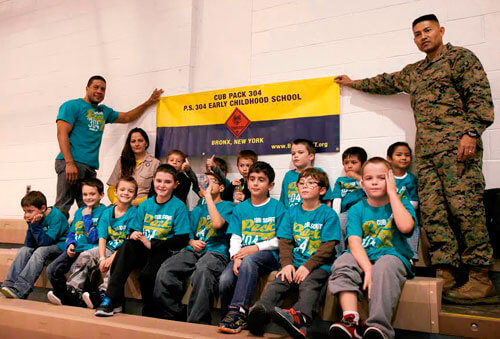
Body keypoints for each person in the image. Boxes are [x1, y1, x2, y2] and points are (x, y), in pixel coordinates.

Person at [334, 14, 496, 303]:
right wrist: (353, 82)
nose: (423, 36)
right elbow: (384, 82)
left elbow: (481, 99)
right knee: (434, 214)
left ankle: (480, 277)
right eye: (418, 33)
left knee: (466, 210)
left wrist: (471, 133)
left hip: (458, 152)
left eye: (428, 30)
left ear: (441, 31)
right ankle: (445, 273)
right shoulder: (416, 71)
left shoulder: (461, 59)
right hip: (427, 156)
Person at [328, 157, 416, 339]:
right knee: (343, 260)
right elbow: (354, 241)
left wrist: (393, 194)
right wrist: (367, 268)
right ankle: (350, 321)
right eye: (369, 178)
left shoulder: (402, 202)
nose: (374, 182)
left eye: (381, 178)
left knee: (383, 266)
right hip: (364, 255)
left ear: (391, 179)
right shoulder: (357, 209)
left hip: (393, 256)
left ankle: (379, 328)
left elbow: (406, 227)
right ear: (362, 183)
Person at [247, 168, 340, 339]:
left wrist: (307, 266)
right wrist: (287, 264)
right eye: (301, 183)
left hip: (319, 265)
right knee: (279, 281)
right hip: (294, 262)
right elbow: (285, 242)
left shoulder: (328, 214)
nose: (305, 186)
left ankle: (300, 317)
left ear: (322, 190)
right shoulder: (291, 212)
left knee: (309, 283)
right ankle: (260, 312)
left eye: (311, 183)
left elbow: (328, 247)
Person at [55, 75, 163, 217]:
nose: (99, 91)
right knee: (63, 205)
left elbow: (127, 117)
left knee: (89, 208)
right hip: (71, 162)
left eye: (103, 89)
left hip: (89, 167)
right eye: (96, 87)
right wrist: (69, 162)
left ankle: (84, 237)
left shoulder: (103, 111)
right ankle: (55, 238)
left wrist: (148, 102)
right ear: (87, 88)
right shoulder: (72, 106)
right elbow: (61, 134)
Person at [95, 164, 190, 317]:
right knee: (126, 246)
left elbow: (181, 239)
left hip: (164, 250)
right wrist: (133, 234)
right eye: (159, 181)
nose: (162, 185)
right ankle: (111, 300)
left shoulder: (179, 207)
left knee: (146, 276)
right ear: (153, 181)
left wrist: (153, 244)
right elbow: (134, 229)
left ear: (175, 184)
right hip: (144, 247)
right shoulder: (145, 204)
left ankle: (150, 312)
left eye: (167, 182)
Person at [154, 172, 234, 323]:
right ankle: (174, 315)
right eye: (205, 182)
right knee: (166, 269)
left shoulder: (229, 206)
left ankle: (198, 323)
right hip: (194, 250)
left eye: (212, 182)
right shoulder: (197, 210)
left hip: (216, 252)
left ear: (222, 187)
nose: (207, 184)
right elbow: (187, 235)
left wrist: (208, 196)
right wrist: (191, 242)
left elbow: (217, 224)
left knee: (202, 271)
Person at [218, 161, 286, 334]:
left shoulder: (277, 207)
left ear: (270, 185)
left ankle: (238, 311)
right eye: (252, 179)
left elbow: (281, 239)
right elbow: (235, 236)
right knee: (225, 280)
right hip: (243, 255)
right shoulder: (241, 208)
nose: (255, 183)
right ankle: (229, 317)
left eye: (261, 180)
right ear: (247, 182)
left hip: (267, 255)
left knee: (249, 261)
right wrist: (236, 257)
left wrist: (256, 247)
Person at [47, 178, 107, 306]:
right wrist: (70, 244)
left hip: (89, 250)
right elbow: (72, 232)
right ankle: (66, 296)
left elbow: (94, 238)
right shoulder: (79, 211)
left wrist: (87, 217)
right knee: (52, 269)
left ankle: (74, 297)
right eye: (85, 194)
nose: (88, 197)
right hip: (75, 249)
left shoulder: (104, 212)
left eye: (92, 194)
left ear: (101, 195)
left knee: (77, 268)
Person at [1, 191, 68, 299]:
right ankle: (8, 285)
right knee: (24, 250)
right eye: (25, 211)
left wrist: (35, 225)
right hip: (45, 245)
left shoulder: (56, 216)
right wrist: (31, 224)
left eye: (30, 211)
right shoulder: (35, 218)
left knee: (40, 251)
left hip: (60, 246)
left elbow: (46, 243)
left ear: (42, 208)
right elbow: (29, 244)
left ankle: (21, 290)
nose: (26, 215)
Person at [107, 128, 160, 206]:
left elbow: (157, 191)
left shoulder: (155, 163)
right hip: (121, 205)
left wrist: (137, 203)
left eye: (140, 140)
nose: (137, 144)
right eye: (133, 141)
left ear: (146, 143)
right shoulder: (122, 161)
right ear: (129, 144)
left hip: (144, 206)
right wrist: (116, 202)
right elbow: (112, 187)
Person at [387, 142, 420, 260]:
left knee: (412, 223)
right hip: (386, 211)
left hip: (405, 212)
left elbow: (414, 202)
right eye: (399, 155)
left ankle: (411, 256)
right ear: (389, 158)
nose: (403, 158)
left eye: (407, 155)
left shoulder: (411, 179)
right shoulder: (385, 176)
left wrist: (401, 210)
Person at [332, 147, 367, 256]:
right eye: (346, 163)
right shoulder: (340, 181)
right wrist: (335, 215)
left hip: (365, 210)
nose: (349, 166)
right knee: (337, 223)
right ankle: (339, 255)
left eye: (354, 162)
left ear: (362, 164)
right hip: (347, 212)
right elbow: (337, 199)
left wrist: (357, 177)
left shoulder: (366, 178)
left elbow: (369, 189)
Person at [280, 139, 334, 209]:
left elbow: (327, 201)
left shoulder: (318, 173)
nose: (295, 156)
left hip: (313, 216)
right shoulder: (288, 175)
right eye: (293, 153)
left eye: (300, 152)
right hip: (291, 217)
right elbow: (283, 202)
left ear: (311, 156)